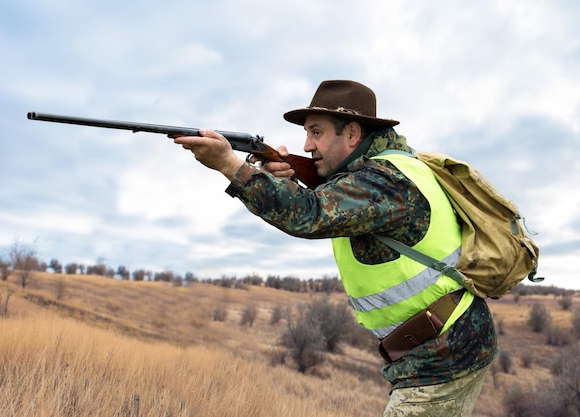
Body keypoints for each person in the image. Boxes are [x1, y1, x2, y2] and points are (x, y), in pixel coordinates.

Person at [174, 80, 498, 416]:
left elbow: (308, 214)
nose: (307, 144)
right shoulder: (387, 169)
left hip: (444, 355)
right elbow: (329, 202)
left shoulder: (383, 181)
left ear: (353, 134)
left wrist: (230, 165)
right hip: (439, 348)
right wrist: (286, 179)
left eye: (317, 132)